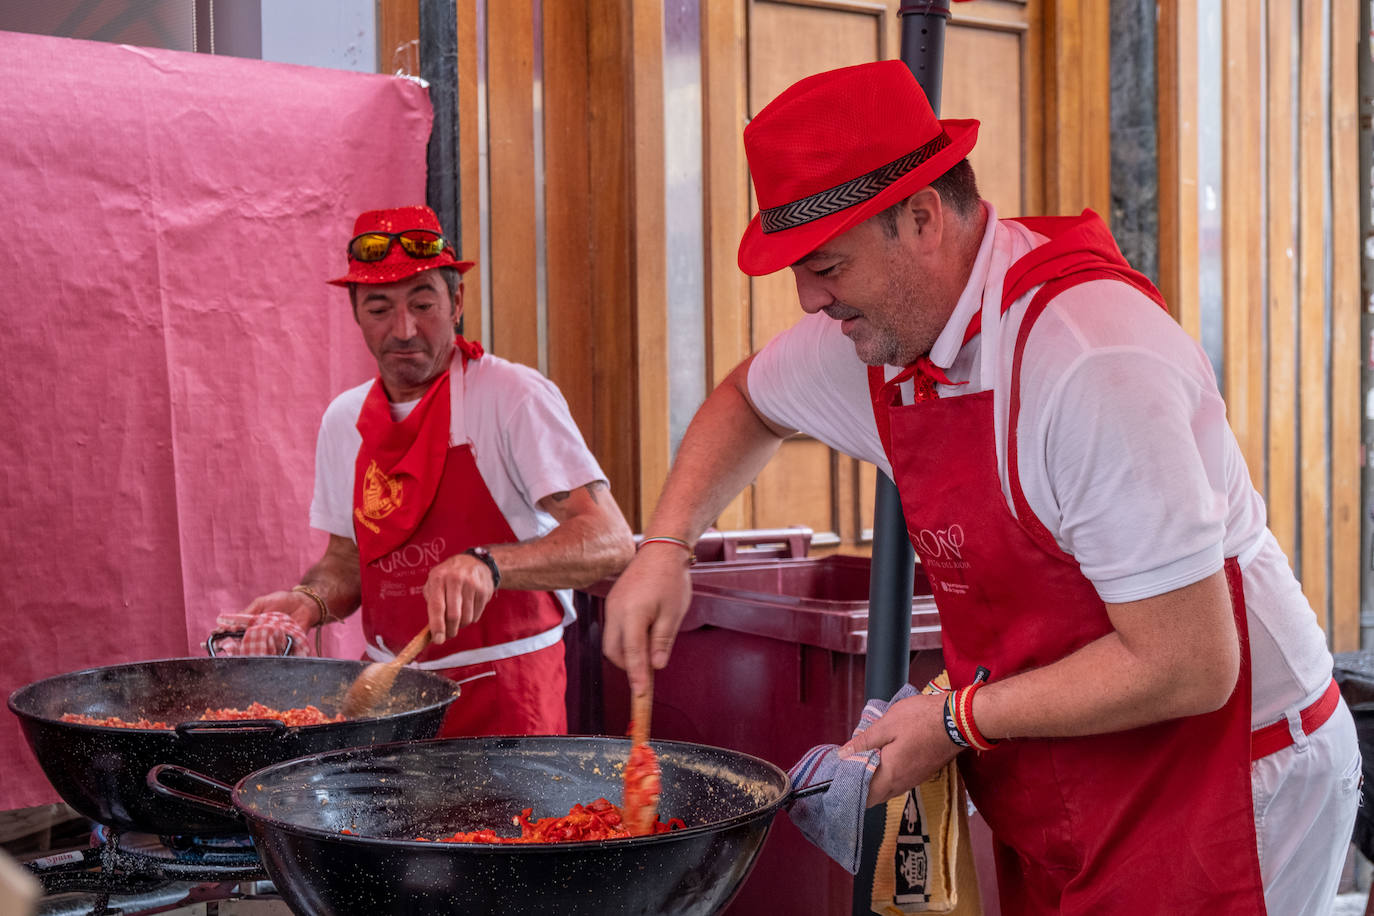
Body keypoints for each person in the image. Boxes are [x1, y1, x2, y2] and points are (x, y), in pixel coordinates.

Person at [602, 61, 1359, 915]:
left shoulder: (1088, 359)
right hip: (1068, 776)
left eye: (826, 265)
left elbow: (1190, 664)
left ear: (921, 217)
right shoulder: (884, 330)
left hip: (1228, 775)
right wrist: (665, 547)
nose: (810, 300)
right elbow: (748, 399)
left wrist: (953, 721)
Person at [224, 204, 634, 738]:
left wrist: (489, 564)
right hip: (388, 697)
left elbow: (610, 541)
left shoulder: (509, 397)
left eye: (423, 304)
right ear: (355, 313)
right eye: (379, 309)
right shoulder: (345, 421)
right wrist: (309, 602)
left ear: (456, 301)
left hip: (505, 693)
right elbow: (347, 560)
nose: (404, 329)